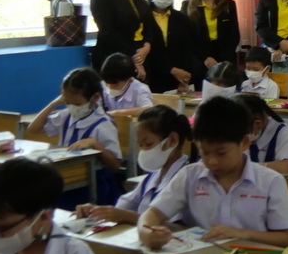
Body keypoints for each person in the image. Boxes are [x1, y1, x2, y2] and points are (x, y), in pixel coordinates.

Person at [138, 96, 288, 251]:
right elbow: (154, 213)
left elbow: (286, 239)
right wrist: (146, 232)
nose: (212, 161)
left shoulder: (270, 181)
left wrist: (240, 234)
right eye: (205, 152)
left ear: (244, 143)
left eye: (221, 153)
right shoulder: (189, 176)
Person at [76, 106, 191, 225]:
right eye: (141, 145)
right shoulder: (154, 176)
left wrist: (126, 216)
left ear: (172, 140)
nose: (144, 151)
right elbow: (125, 206)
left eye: (148, 144)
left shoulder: (187, 178)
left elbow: (175, 226)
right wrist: (96, 211)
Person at [26, 67, 123, 205]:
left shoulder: (103, 124)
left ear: (95, 98)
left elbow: (115, 165)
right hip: (66, 176)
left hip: (92, 183)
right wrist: (54, 104)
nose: (72, 107)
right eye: (67, 102)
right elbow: (33, 129)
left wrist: (95, 144)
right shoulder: (67, 116)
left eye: (77, 104)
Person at [183, 0, 241, 82]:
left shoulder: (229, 4)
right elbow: (187, 39)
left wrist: (222, 62)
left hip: (225, 61)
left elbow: (234, 35)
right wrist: (204, 58)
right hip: (199, 62)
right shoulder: (188, 5)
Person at [143, 0, 195, 94]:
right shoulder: (142, 17)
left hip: (178, 81)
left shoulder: (181, 18)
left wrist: (185, 79)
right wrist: (171, 70)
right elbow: (148, 52)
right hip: (151, 79)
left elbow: (187, 50)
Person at [234, 92, 288, 176]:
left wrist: (249, 168)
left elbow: (287, 168)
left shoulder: (284, 133)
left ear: (257, 124)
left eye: (243, 130)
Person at [99, 52, 154, 117]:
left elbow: (148, 110)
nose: (110, 87)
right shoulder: (103, 84)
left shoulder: (140, 89)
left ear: (130, 80)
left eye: (116, 86)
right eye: (107, 83)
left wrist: (116, 113)